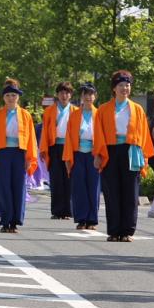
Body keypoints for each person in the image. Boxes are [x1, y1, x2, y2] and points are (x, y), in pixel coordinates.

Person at [93, 70, 154, 242]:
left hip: (131, 151)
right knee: (112, 193)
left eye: (127, 85)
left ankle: (127, 231)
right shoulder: (104, 109)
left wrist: (144, 157)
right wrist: (98, 154)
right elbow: (98, 133)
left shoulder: (137, 109)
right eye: (121, 85)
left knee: (130, 193)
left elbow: (143, 134)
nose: (124, 88)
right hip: (110, 151)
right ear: (114, 88)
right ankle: (113, 231)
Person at [0, 78, 38, 233]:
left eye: (14, 95)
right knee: (4, 187)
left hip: (19, 153)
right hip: (3, 153)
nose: (11, 98)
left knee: (18, 187)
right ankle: (5, 220)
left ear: (18, 97)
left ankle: (15, 221)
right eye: (8, 95)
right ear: (4, 97)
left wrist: (29, 158)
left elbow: (31, 138)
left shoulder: (25, 115)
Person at [63, 83, 100, 230]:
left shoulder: (99, 114)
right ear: (81, 97)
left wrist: (101, 155)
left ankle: (92, 219)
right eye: (85, 94)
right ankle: (81, 218)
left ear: (95, 97)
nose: (88, 97)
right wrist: (68, 157)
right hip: (78, 153)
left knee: (94, 187)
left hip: (94, 153)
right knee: (79, 187)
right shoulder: (74, 115)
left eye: (91, 94)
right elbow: (68, 137)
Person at [40, 82, 77, 220]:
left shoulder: (75, 111)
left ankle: (68, 210)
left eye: (67, 92)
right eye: (61, 92)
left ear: (71, 95)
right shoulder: (49, 111)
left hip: (70, 147)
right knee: (56, 179)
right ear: (57, 94)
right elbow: (45, 131)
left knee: (69, 179)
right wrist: (44, 148)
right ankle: (57, 210)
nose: (64, 95)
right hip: (55, 147)